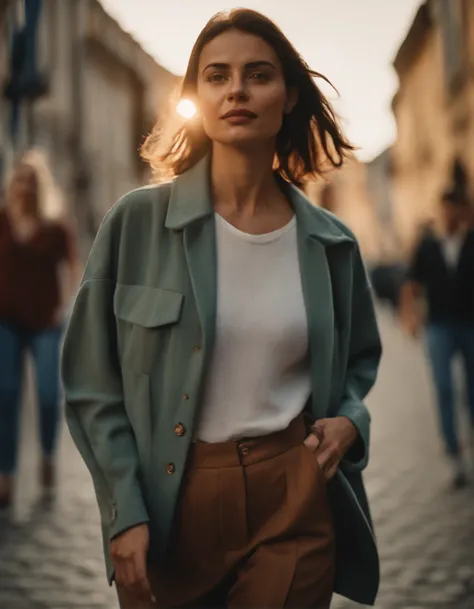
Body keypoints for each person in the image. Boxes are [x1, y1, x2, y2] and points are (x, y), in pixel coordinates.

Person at [61, 9, 382, 608]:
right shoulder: (135, 224)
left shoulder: (332, 244)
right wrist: (123, 510)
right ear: (197, 98)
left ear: (288, 95)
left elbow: (361, 361)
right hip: (170, 505)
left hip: (293, 496)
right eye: (217, 75)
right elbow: (90, 382)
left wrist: (350, 421)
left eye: (258, 74)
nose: (237, 89)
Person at [0, 151, 81, 509]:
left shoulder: (55, 226)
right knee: (7, 394)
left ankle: (48, 456)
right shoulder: (1, 221)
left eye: (31, 181)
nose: (23, 187)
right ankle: (6, 476)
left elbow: (74, 267)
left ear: (39, 187)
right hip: (5, 321)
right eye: (19, 180)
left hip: (46, 321)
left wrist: (66, 305)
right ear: (10, 185)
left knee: (49, 394)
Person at [401, 189, 474, 489]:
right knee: (443, 387)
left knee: (473, 390)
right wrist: (410, 316)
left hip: (470, 324)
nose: (449, 215)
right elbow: (412, 283)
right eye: (445, 209)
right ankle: (454, 455)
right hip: (439, 326)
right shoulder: (428, 245)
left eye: (454, 209)